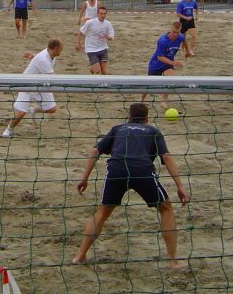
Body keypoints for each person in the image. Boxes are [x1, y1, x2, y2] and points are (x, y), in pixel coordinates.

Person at [72, 102, 189, 269]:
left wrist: (84, 178)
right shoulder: (153, 131)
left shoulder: (118, 129)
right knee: (166, 208)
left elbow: (94, 151)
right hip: (142, 171)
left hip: (117, 170)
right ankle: (173, 261)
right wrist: (180, 186)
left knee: (102, 212)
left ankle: (79, 256)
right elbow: (167, 157)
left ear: (129, 117)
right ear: (147, 119)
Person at [2, 38, 63, 138]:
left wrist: (33, 56)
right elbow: (53, 77)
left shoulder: (50, 54)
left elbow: (39, 57)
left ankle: (33, 110)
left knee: (52, 109)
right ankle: (9, 129)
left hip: (40, 85)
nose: (62, 50)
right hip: (27, 85)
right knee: (21, 113)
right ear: (55, 48)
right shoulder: (43, 59)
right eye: (60, 48)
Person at [145, 21, 193, 108]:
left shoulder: (180, 37)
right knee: (148, 85)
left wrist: (187, 51)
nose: (175, 34)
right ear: (170, 30)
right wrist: (174, 63)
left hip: (168, 64)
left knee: (170, 81)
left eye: (177, 32)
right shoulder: (162, 40)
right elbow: (160, 57)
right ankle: (141, 100)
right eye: (174, 32)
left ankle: (163, 101)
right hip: (156, 64)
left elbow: (184, 41)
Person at [76, 6, 114, 74]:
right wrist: (78, 44)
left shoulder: (108, 24)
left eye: (104, 13)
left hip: (103, 48)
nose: (102, 15)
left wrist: (108, 37)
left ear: (106, 14)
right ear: (97, 14)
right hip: (91, 49)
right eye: (101, 13)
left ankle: (101, 82)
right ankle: (93, 68)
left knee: (103, 71)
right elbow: (80, 32)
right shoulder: (90, 23)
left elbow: (111, 36)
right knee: (97, 71)